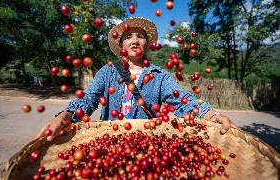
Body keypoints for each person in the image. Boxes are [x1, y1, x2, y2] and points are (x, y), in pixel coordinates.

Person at [35, 17, 237, 141]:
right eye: (128, 36)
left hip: (146, 142)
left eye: (140, 36)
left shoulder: (159, 76)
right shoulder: (108, 72)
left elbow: (184, 100)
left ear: (147, 44)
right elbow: (88, 101)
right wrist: (63, 117)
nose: (134, 40)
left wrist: (212, 114)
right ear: (122, 45)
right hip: (110, 140)